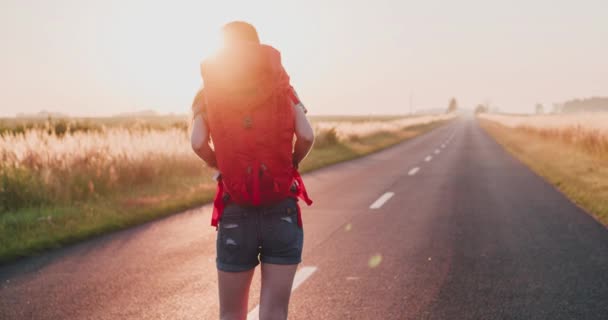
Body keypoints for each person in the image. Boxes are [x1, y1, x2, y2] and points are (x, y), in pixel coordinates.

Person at [190, 21, 315, 320]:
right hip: (281, 207)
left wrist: (220, 164)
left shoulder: (209, 90)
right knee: (274, 312)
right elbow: (307, 135)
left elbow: (197, 142)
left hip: (235, 209)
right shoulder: (281, 85)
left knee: (231, 314)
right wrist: (292, 162)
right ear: (257, 46)